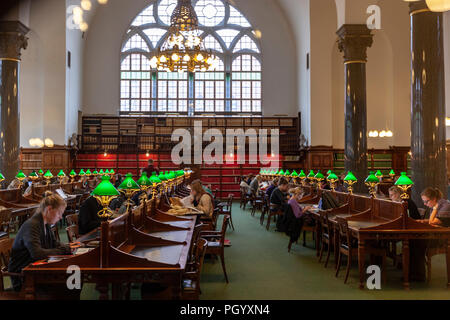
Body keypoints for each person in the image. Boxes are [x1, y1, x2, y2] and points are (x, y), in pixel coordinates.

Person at [8, 192, 72, 291]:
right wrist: (62, 250)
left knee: (73, 278)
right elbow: (37, 254)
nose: (60, 217)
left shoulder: (45, 223)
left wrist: (67, 247)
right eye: (59, 213)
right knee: (70, 283)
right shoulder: (32, 225)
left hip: (36, 269)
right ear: (49, 209)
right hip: (23, 276)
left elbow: (54, 243)